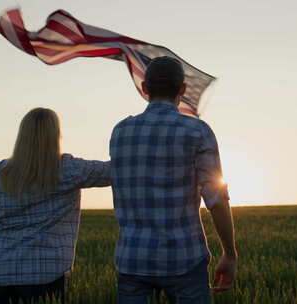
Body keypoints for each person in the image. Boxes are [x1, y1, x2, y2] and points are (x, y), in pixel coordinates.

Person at [0, 108, 111, 304]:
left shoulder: (1, 172)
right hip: (46, 275)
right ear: (56, 134)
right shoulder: (69, 169)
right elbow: (114, 171)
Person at [109, 56, 237, 304]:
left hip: (132, 260)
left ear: (145, 89)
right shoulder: (198, 131)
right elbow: (216, 198)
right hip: (184, 259)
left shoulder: (120, 131)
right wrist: (230, 253)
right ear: (183, 89)